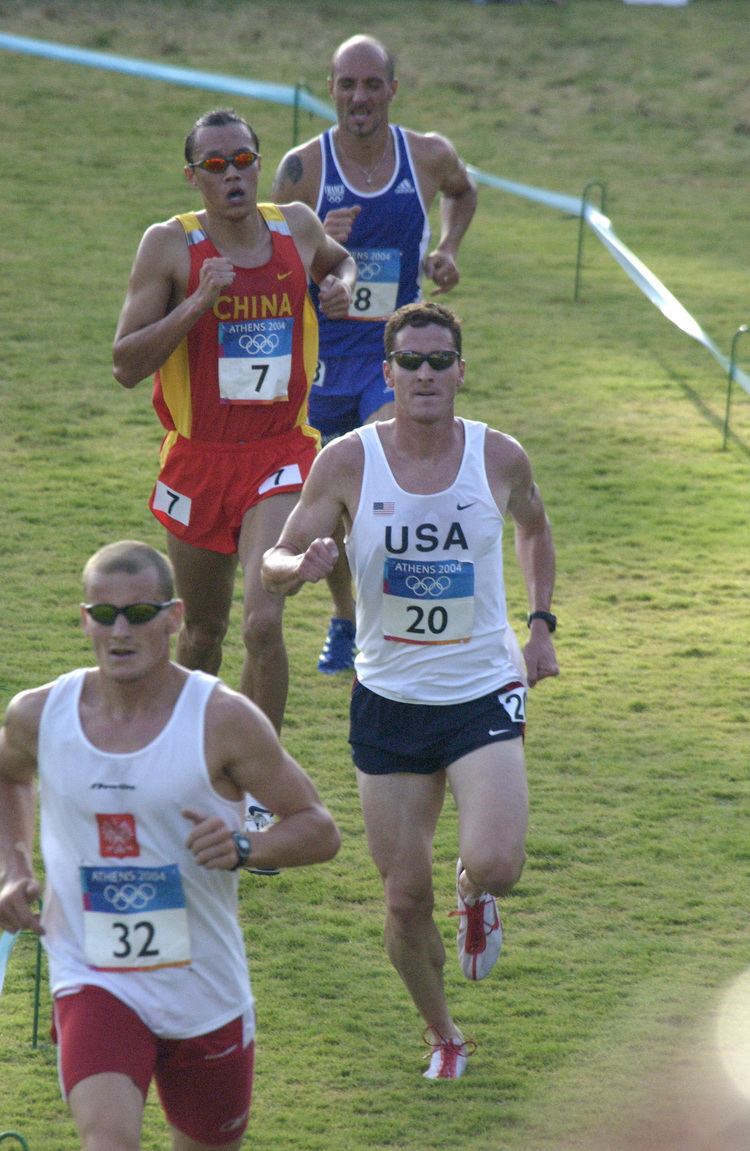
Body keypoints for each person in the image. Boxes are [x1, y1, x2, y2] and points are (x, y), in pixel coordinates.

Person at [262, 301, 559, 1079]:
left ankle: (477, 891)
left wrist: (539, 626)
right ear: (386, 372)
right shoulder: (348, 462)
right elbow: (274, 561)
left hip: (479, 690)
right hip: (388, 699)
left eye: (440, 360)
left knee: (496, 860)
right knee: (401, 901)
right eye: (411, 361)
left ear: (462, 369)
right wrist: (303, 568)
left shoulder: (498, 456)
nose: (425, 374)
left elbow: (534, 526)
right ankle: (444, 1035)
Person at [0, 540, 340, 1150]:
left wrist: (244, 847)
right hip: (93, 974)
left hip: (204, 987)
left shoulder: (223, 720)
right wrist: (12, 866)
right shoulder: (40, 715)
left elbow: (318, 827)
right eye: (104, 615)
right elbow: (7, 774)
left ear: (175, 617)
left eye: (140, 612)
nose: (121, 630)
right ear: (84, 620)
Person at [112, 109, 356, 734]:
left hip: (281, 453)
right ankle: (190, 759)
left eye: (244, 160)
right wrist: (197, 302)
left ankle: (257, 787)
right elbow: (126, 364)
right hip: (199, 459)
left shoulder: (295, 227)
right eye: (217, 166)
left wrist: (340, 287)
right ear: (194, 177)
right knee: (201, 635)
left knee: (263, 622)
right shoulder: (168, 244)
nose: (234, 176)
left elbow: (339, 262)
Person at [272, 35, 478, 674]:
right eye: (346, 85)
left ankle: (409, 616)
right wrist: (314, 258)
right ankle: (345, 616)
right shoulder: (302, 170)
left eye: (371, 84)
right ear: (329, 89)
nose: (359, 98)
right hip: (322, 353)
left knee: (390, 469)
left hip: (395, 350)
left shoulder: (426, 155)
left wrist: (447, 248)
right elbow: (272, 266)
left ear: (392, 89)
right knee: (331, 494)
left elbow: (462, 191)